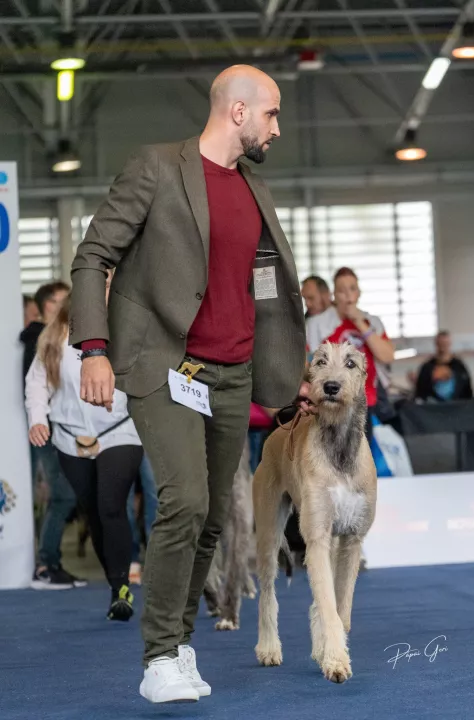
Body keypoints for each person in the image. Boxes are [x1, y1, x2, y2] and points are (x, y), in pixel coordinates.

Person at [69, 64, 306, 703]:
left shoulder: (255, 186)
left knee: (211, 520)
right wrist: (93, 349)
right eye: (271, 114)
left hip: (232, 375)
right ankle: (157, 659)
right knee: (186, 500)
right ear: (238, 111)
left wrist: (290, 380)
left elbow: (266, 294)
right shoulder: (156, 167)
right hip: (167, 366)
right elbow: (93, 257)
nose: (276, 129)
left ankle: (178, 645)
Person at [25, 284, 144, 620]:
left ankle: (122, 589)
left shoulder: (127, 327)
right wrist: (37, 419)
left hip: (120, 430)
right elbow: (37, 383)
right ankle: (116, 584)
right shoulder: (54, 336)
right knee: (93, 513)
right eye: (99, 286)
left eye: (109, 286)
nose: (105, 293)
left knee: (111, 505)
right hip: (69, 437)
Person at [20, 281, 81, 590]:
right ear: (49, 305)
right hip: (50, 431)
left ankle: (50, 563)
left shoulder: (64, 336)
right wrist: (39, 420)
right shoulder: (42, 339)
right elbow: (35, 387)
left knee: (66, 495)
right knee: (63, 496)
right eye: (62, 299)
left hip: (62, 429)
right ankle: (46, 565)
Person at [306, 267, 394, 441]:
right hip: (328, 399)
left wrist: (360, 323)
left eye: (352, 289)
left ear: (359, 293)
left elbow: (387, 356)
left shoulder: (373, 322)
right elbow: (308, 362)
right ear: (334, 295)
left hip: (365, 401)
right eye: (341, 290)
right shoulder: (316, 324)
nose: (347, 295)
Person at [415, 330, 473, 402]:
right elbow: (420, 392)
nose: (442, 348)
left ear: (449, 344)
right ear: (436, 344)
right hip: (433, 407)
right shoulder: (427, 368)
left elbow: (467, 391)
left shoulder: (459, 367)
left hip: (457, 406)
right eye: (440, 344)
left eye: (445, 344)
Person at [127, 453, 157, 586]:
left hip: (152, 443)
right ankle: (131, 559)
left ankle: (156, 559)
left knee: (155, 498)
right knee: (124, 500)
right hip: (119, 442)